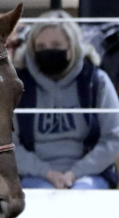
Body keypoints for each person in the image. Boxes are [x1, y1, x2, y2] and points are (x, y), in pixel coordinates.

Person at [13, 15, 119, 189]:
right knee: (41, 197)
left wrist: (75, 173)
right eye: (41, 47)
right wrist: (47, 173)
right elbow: (9, 145)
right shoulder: (17, 87)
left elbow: (114, 138)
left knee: (81, 196)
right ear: (31, 50)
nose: (48, 50)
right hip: (34, 175)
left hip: (90, 174)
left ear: (72, 47)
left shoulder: (96, 82)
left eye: (56, 45)